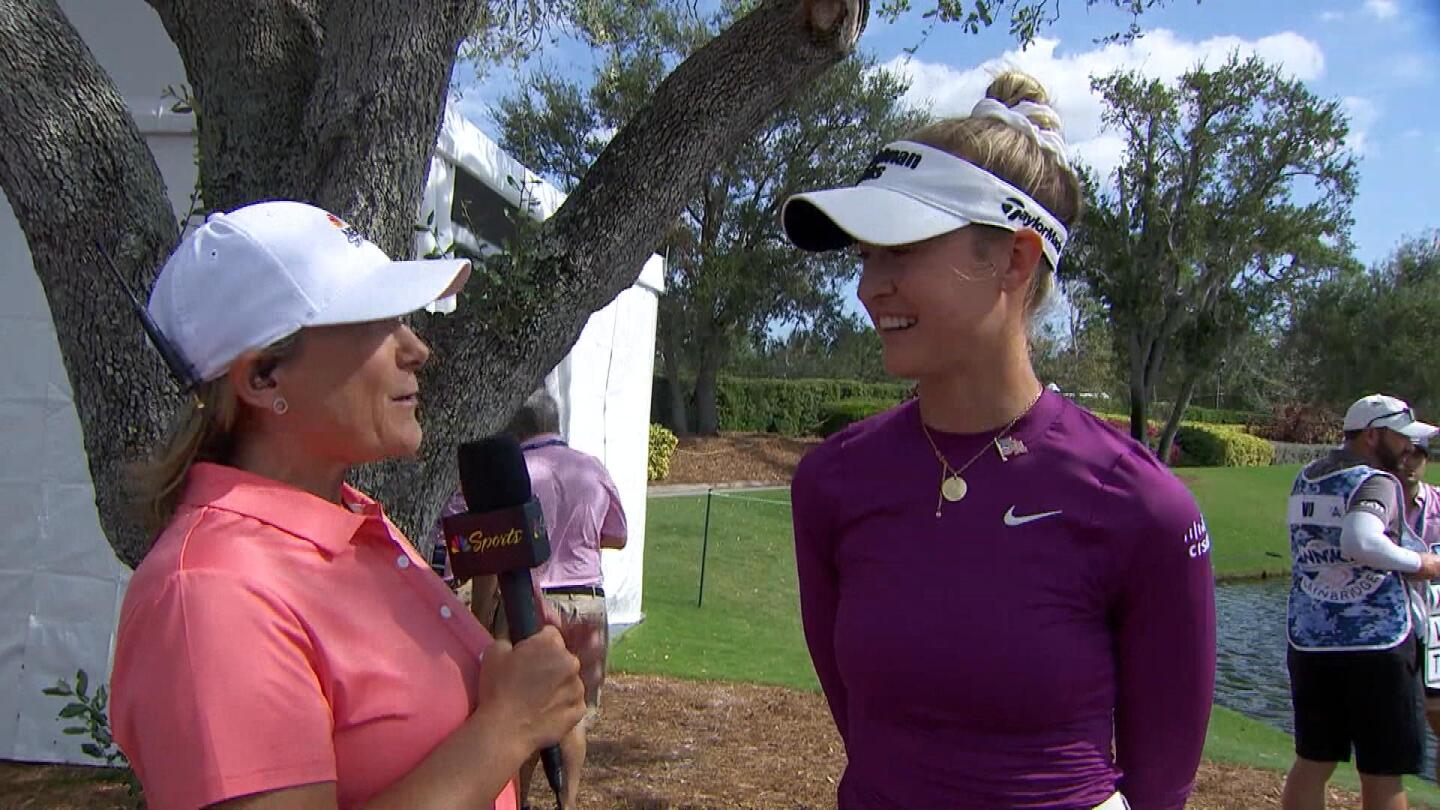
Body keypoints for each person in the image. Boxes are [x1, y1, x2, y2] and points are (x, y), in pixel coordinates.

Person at [781, 72, 1216, 809]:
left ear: (1014, 259)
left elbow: (1161, 784)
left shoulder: (1143, 508)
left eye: (900, 250)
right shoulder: (832, 483)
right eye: (864, 256)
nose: (868, 288)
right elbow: (862, 724)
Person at [110, 201, 587, 810]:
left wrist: (527, 709)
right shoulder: (210, 592)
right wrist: (506, 729)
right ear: (262, 378)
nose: (416, 348)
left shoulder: (359, 524)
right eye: (374, 322)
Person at [435, 388, 627, 809]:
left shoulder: (513, 471)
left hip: (533, 602)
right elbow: (618, 535)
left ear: (516, 427)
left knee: (523, 711)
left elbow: (473, 545)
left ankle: (516, 802)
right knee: (573, 711)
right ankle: (568, 802)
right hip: (587, 600)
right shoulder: (593, 469)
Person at [1281, 394, 1440, 810]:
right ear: (1373, 435)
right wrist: (1420, 563)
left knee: (1312, 762)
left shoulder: (1306, 475)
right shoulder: (1376, 481)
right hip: (1377, 646)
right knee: (1384, 772)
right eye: (1402, 438)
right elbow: (1360, 539)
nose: (1410, 449)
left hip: (1311, 641)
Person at [1398, 434, 1440, 784]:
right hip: (1389, 628)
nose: (1410, 462)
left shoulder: (1438, 504)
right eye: (1405, 453)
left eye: (1419, 455)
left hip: (1432, 626)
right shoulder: (1374, 503)